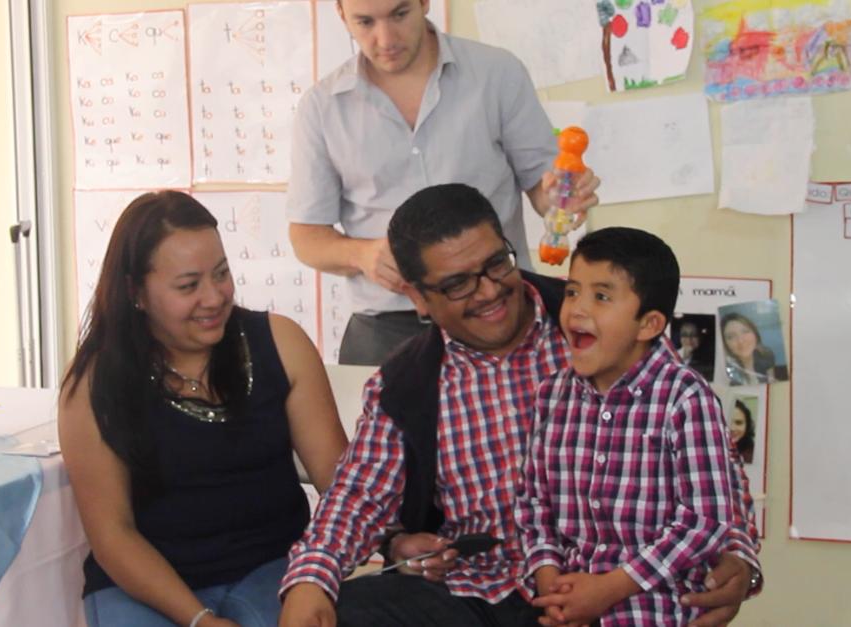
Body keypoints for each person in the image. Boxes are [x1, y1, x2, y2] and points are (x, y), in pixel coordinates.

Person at [278, 184, 761, 627]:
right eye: (457, 284)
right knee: (345, 613)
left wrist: (739, 557)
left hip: (606, 584)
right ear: (418, 298)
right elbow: (357, 496)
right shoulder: (405, 383)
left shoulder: (597, 325)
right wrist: (310, 579)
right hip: (473, 589)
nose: (489, 292)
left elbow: (713, 471)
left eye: (496, 264)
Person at [58, 191, 348, 627]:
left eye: (222, 274)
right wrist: (199, 620)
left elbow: (343, 487)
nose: (214, 298)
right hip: (147, 584)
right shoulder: (94, 384)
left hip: (272, 566)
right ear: (135, 292)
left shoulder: (280, 342)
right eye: (188, 286)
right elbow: (113, 535)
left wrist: (391, 542)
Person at [287, 0, 599, 365]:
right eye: (365, 22)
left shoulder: (496, 73)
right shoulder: (321, 108)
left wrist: (562, 200)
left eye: (399, 14)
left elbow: (545, 190)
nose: (385, 38)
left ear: (424, 3)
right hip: (390, 329)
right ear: (341, 15)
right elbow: (306, 237)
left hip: (499, 309)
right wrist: (363, 255)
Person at [515, 227, 738, 626]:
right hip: (568, 605)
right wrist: (553, 586)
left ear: (649, 324)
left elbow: (706, 522)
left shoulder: (685, 398)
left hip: (655, 608)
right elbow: (533, 505)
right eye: (571, 292)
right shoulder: (551, 395)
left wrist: (609, 589)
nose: (577, 310)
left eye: (601, 296)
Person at [720, 312, 787, 386]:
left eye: (745, 332)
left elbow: (770, 381)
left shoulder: (766, 354)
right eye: (731, 337)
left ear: (755, 334)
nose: (741, 341)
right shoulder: (726, 371)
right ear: (725, 343)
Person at [729, 400, 756, 464]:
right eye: (727, 422)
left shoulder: (753, 454)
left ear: (747, 425)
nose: (732, 428)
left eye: (738, 423)